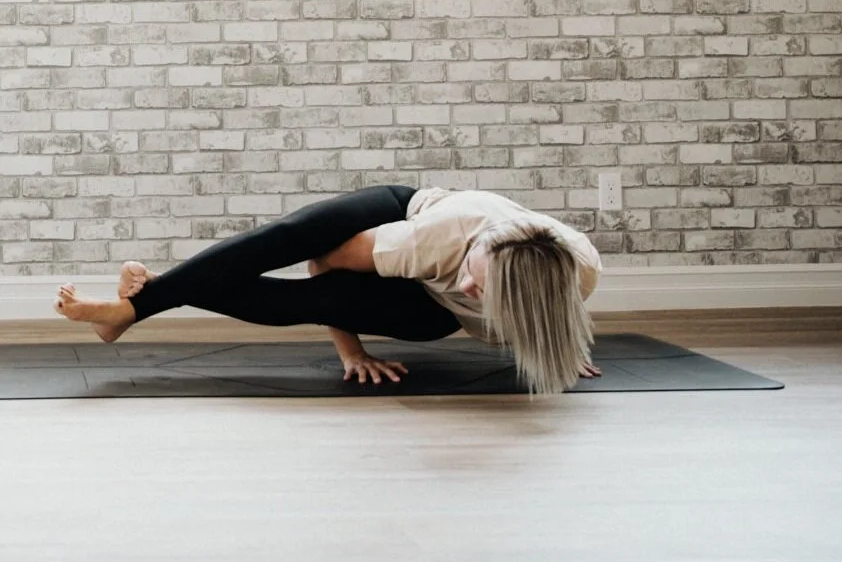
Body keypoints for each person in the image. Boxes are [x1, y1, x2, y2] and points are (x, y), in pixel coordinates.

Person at [54, 184, 603, 395]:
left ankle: (144, 296)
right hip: (400, 213)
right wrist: (351, 350)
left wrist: (556, 344)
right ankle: (132, 309)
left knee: (414, 307)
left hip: (429, 308)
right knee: (294, 241)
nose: (462, 285)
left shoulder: (575, 274)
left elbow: (547, 316)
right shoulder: (438, 241)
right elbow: (323, 264)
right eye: (467, 270)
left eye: (476, 288)